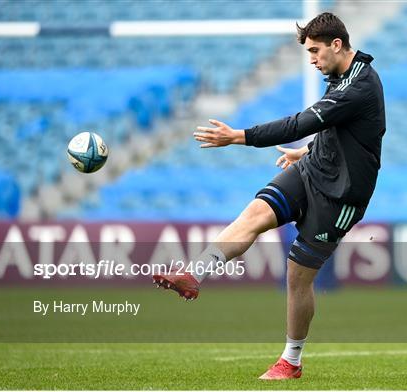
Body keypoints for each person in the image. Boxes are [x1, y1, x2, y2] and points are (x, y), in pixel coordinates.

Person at [153, 12, 386, 380]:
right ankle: (195, 273)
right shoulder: (341, 76)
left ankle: (291, 361)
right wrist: (306, 153)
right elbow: (340, 133)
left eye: (315, 51)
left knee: (297, 276)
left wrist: (239, 136)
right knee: (254, 215)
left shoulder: (360, 86)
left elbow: (302, 123)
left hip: (341, 197)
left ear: (337, 45)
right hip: (312, 171)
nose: (311, 59)